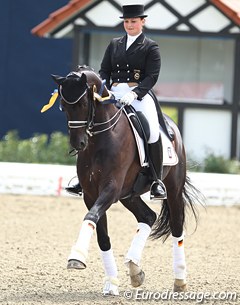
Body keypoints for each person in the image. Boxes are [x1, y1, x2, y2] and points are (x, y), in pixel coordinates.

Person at [66, 4, 166, 199]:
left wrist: (135, 93)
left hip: (139, 95)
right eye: (127, 21)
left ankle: (156, 180)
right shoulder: (114, 44)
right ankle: (84, 178)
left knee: (152, 131)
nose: (129, 25)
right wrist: (105, 88)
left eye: (133, 21)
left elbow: (151, 76)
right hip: (113, 93)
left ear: (142, 22)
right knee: (93, 125)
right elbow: (104, 70)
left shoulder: (150, 46)